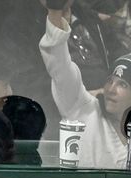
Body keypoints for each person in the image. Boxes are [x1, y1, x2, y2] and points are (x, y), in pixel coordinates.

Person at [40, 0, 131, 168]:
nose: (111, 89)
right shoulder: (83, 109)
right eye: (110, 81)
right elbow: (60, 67)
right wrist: (54, 12)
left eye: (123, 85)